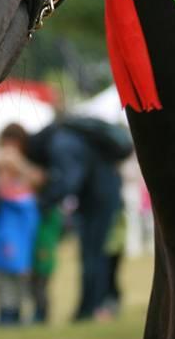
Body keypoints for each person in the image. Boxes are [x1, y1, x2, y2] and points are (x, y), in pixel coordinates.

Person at [27, 116, 131, 321]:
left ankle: (89, 308)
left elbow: (69, 181)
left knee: (92, 255)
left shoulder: (60, 143)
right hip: (103, 195)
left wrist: (44, 201)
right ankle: (96, 304)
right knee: (95, 253)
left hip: (98, 200)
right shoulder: (65, 136)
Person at [0, 123, 43, 326]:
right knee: (0, 279)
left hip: (16, 240)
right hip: (1, 238)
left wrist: (16, 164)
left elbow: (36, 182)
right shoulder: (2, 183)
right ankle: (5, 314)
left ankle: (12, 315)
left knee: (14, 278)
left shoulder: (21, 190)